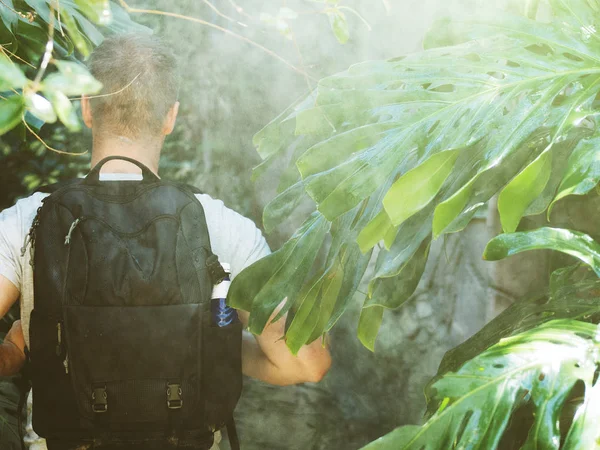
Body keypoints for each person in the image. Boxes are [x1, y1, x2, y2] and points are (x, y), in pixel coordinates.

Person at [0, 33, 331, 449]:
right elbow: (307, 363)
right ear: (170, 117)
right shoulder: (223, 226)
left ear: (85, 108)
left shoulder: (28, 220)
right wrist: (212, 344)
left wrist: (18, 352)